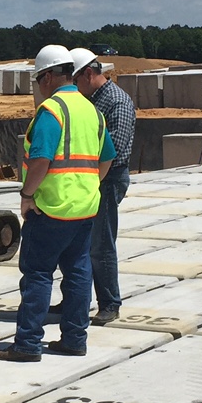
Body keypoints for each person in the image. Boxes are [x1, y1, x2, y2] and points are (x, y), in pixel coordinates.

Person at [0, 45, 115, 363]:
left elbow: (41, 160)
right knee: (78, 274)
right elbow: (106, 159)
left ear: (47, 77)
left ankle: (28, 343)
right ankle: (74, 339)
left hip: (51, 208)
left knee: (37, 274)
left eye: (37, 80)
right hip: (84, 209)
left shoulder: (52, 111)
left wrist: (27, 196)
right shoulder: (92, 111)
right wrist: (88, 186)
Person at [70, 47, 135, 325]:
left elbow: (115, 151)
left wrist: (91, 178)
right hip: (90, 178)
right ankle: (76, 299)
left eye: (75, 80)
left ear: (88, 74)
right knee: (79, 243)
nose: (73, 87)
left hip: (107, 179)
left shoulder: (116, 102)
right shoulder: (89, 100)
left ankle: (109, 303)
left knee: (101, 244)